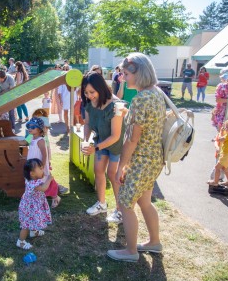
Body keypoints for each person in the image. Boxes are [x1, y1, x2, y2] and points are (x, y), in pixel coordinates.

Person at [108, 53, 167, 262]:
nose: (122, 78)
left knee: (125, 203)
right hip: (154, 159)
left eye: (125, 74)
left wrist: (120, 167)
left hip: (142, 160)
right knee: (144, 201)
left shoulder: (141, 99)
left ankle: (131, 251)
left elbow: (132, 140)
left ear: (138, 72)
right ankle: (154, 242)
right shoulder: (156, 93)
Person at [81, 72, 125, 224]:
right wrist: (86, 140)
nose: (89, 96)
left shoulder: (115, 105)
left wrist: (95, 148)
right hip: (100, 142)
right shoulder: (88, 104)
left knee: (113, 175)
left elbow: (115, 136)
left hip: (117, 146)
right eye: (86, 92)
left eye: (92, 92)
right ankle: (102, 204)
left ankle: (121, 211)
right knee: (98, 171)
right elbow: (87, 123)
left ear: (100, 87)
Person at [17, 158, 53, 250]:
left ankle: (34, 232)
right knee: (26, 225)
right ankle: (20, 242)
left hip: (33, 206)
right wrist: (49, 179)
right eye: (40, 169)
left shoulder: (32, 179)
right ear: (32, 173)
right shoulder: (33, 183)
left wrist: (45, 177)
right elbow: (44, 188)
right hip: (29, 208)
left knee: (34, 219)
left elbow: (42, 185)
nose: (43, 170)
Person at [25, 117, 62, 208]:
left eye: (33, 127)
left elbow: (44, 155)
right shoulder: (32, 139)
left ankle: (55, 197)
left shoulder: (40, 141)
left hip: (39, 167)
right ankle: (37, 201)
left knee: (45, 183)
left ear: (39, 129)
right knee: (36, 184)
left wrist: (42, 167)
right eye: (29, 126)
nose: (30, 129)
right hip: (33, 166)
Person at [58, 64, 76, 133]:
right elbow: (59, 91)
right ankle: (67, 128)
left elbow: (77, 89)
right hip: (65, 99)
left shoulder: (73, 78)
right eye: (64, 69)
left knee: (73, 113)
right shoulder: (62, 80)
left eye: (67, 68)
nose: (66, 70)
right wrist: (60, 100)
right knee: (65, 113)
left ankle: (73, 127)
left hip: (73, 98)